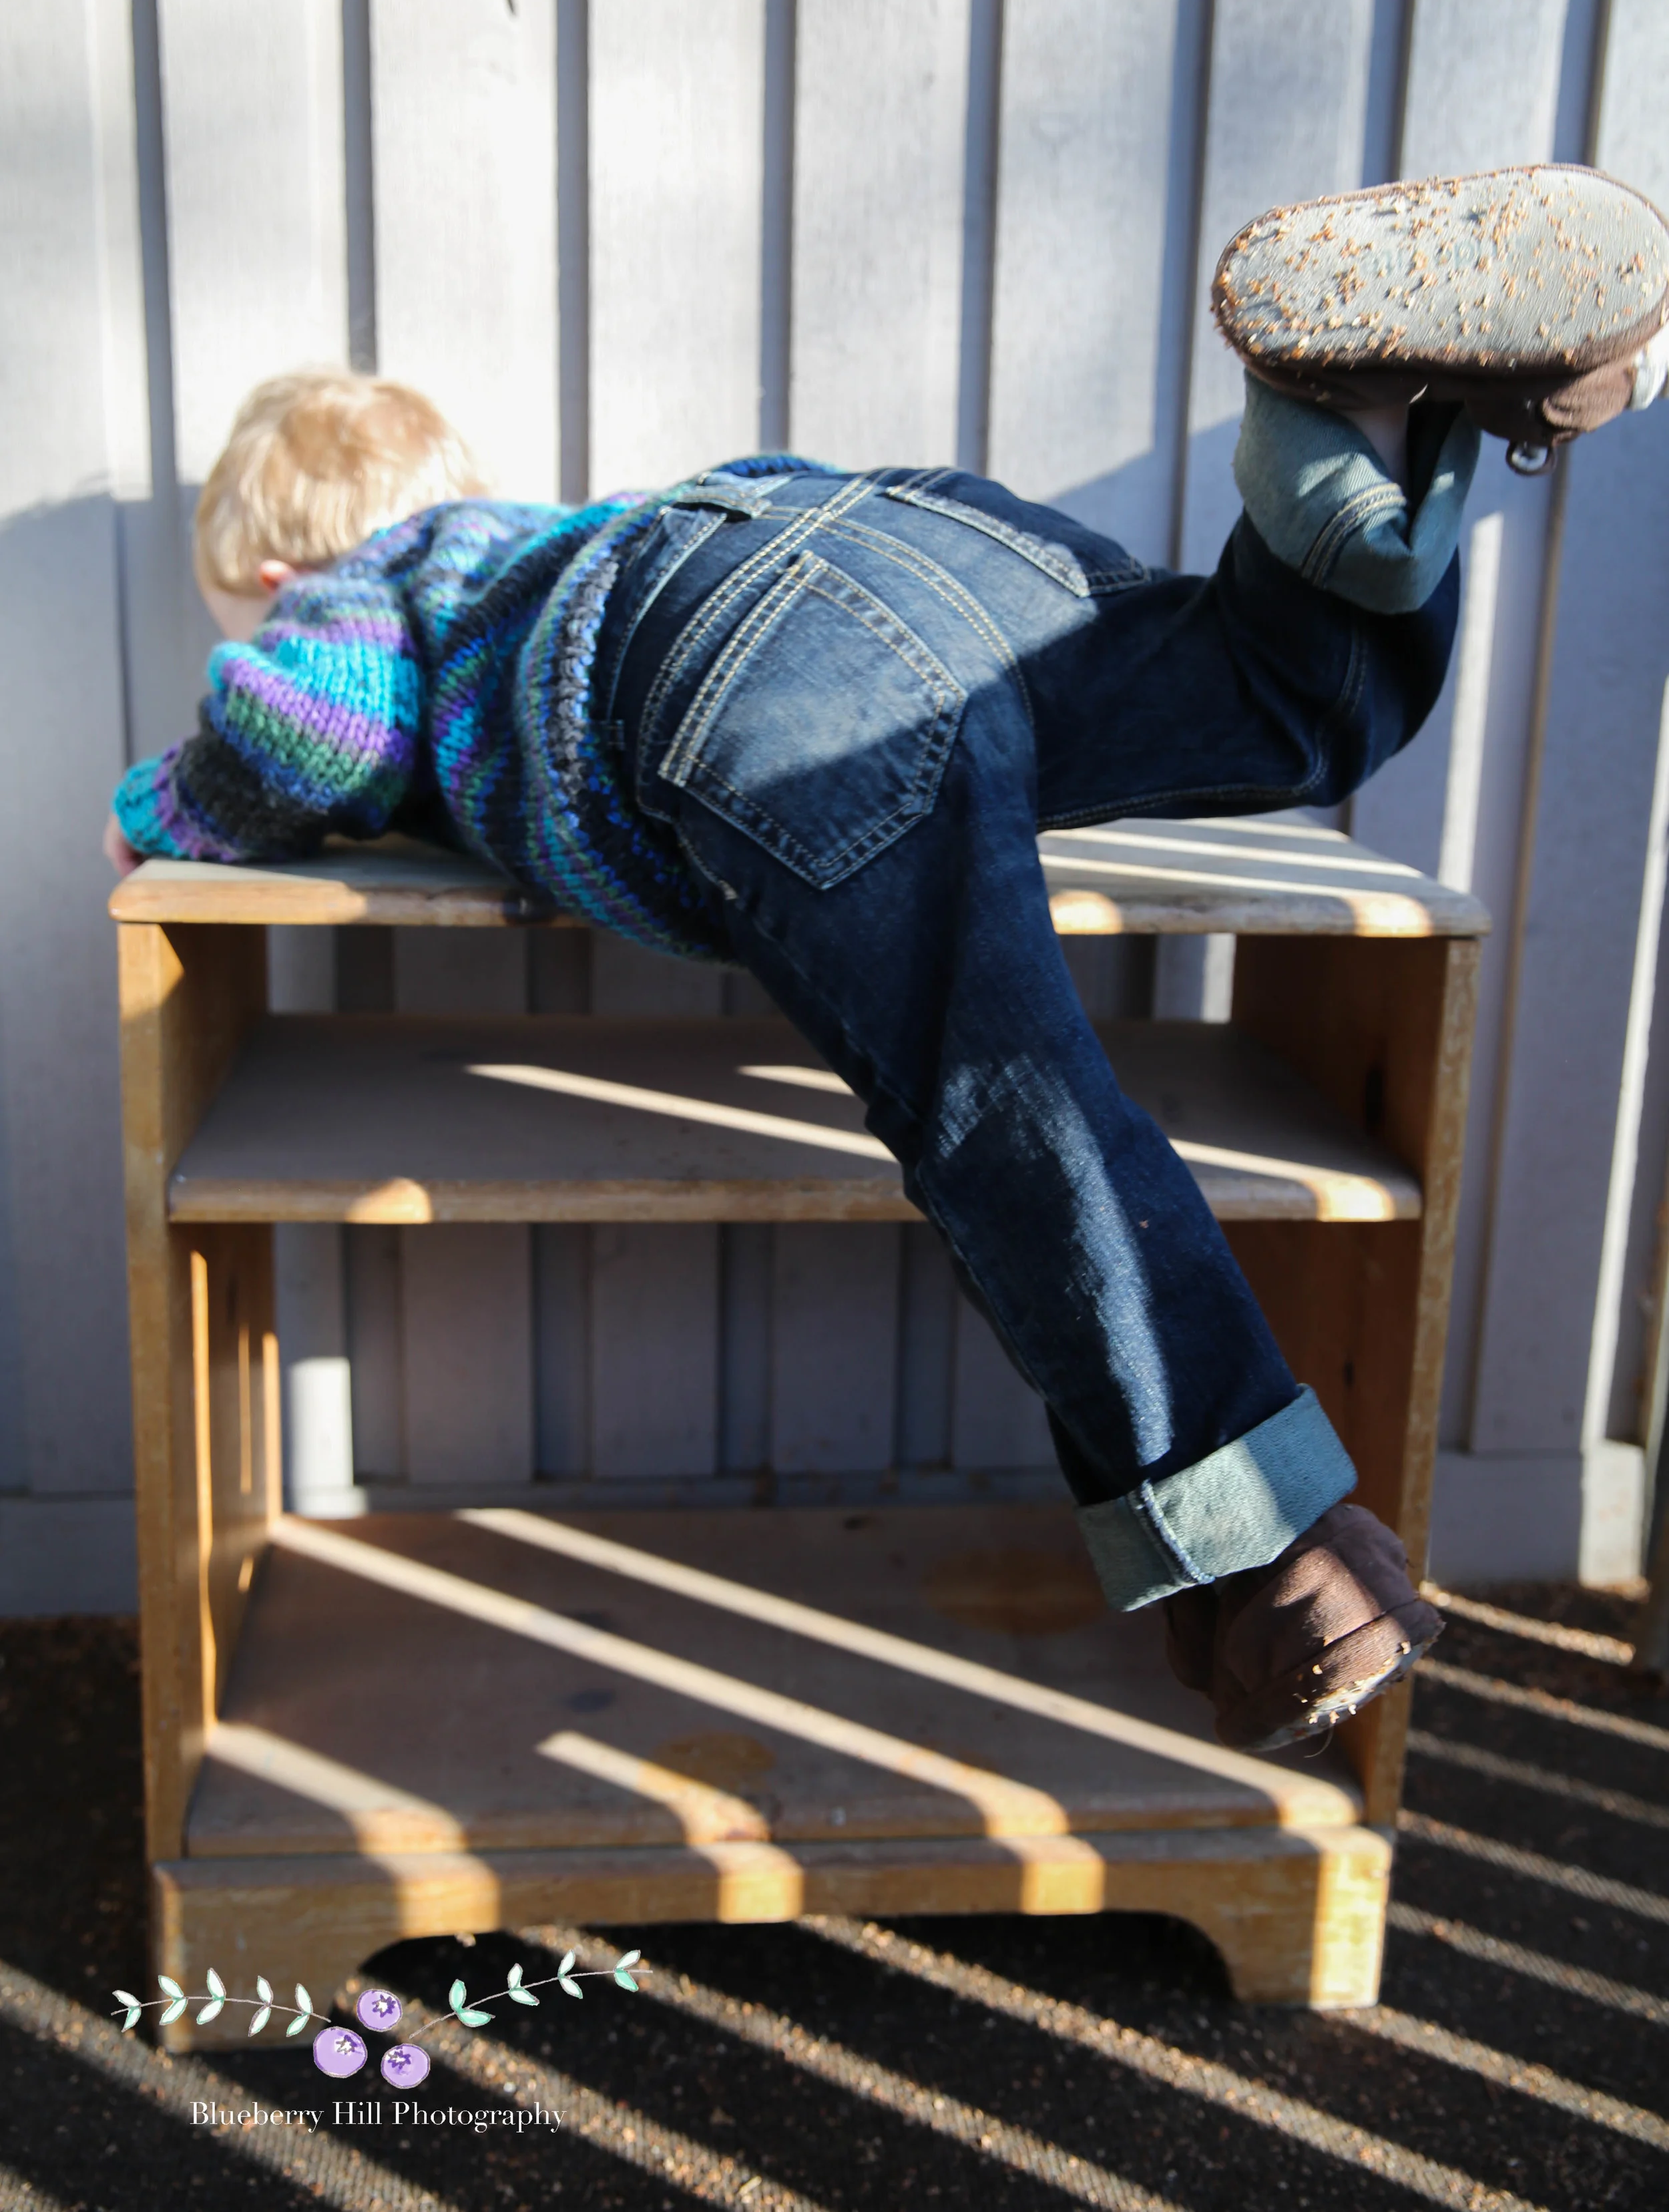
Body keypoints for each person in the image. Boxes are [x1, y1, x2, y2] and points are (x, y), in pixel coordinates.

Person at [107, 164, 1669, 1752]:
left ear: (278, 578)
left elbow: (307, 733)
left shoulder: (360, 588)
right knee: (1280, 702)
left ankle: (1280, 1558)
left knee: (1001, 1097)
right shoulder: (534, 534)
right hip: (902, 538)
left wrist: (155, 810)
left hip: (741, 663)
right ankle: (1366, 414)